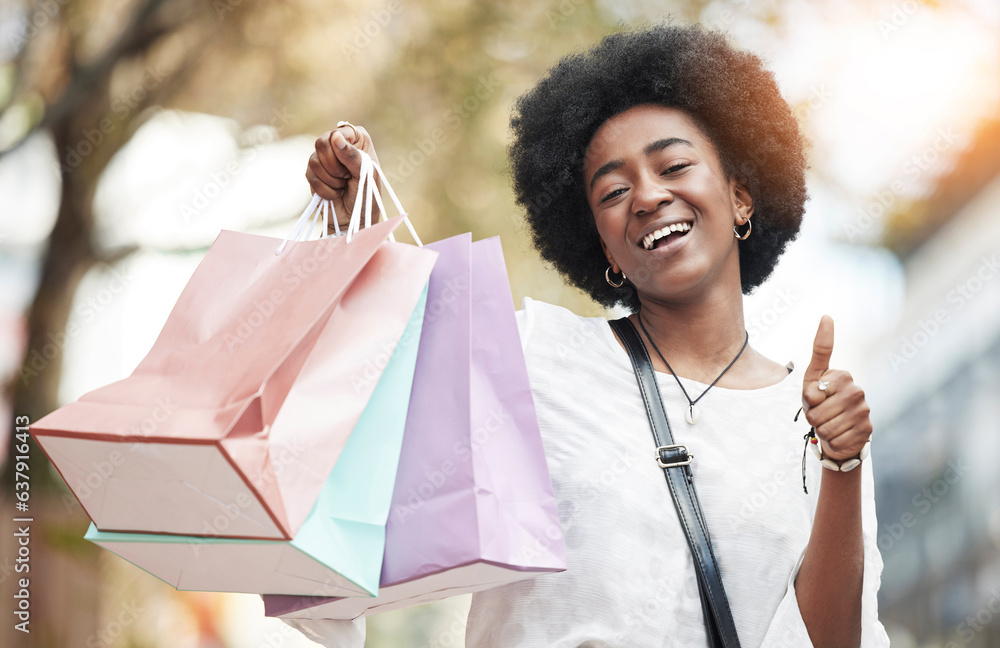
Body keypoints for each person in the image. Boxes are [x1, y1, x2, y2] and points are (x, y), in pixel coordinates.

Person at [297, 23, 889, 648]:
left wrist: (842, 462)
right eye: (614, 190)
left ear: (740, 197)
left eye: (675, 165)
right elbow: (388, 390)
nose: (649, 195)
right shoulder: (534, 358)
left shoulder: (819, 420)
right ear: (602, 244)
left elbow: (834, 640)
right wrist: (352, 229)